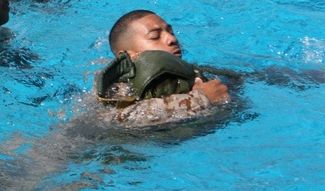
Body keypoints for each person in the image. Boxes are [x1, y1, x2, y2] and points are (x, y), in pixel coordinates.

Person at [97, 10, 230, 128]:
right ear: (129, 56)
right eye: (155, 36)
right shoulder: (118, 89)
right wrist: (201, 99)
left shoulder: (196, 72)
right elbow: (114, 121)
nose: (172, 39)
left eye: (171, 32)